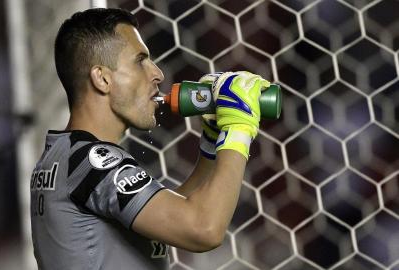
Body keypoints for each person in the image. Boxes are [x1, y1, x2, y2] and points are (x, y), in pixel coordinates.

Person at [30, 8, 270, 270]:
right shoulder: (92, 161)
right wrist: (239, 127)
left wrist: (212, 144)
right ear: (102, 78)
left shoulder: (69, 156)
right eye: (140, 60)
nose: (157, 73)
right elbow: (204, 229)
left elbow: (168, 220)